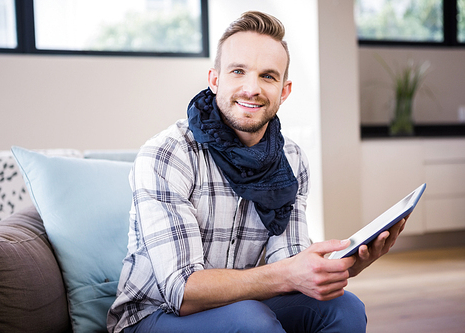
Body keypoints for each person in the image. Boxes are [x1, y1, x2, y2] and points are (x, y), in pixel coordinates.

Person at [107, 11, 407, 333]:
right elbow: (181, 292)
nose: (252, 89)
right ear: (214, 79)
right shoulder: (169, 153)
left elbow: (288, 261)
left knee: (343, 307)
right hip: (155, 315)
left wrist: (342, 266)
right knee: (251, 321)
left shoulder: (291, 159)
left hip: (245, 302)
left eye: (268, 76)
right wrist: (289, 273)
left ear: (284, 90)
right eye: (238, 71)